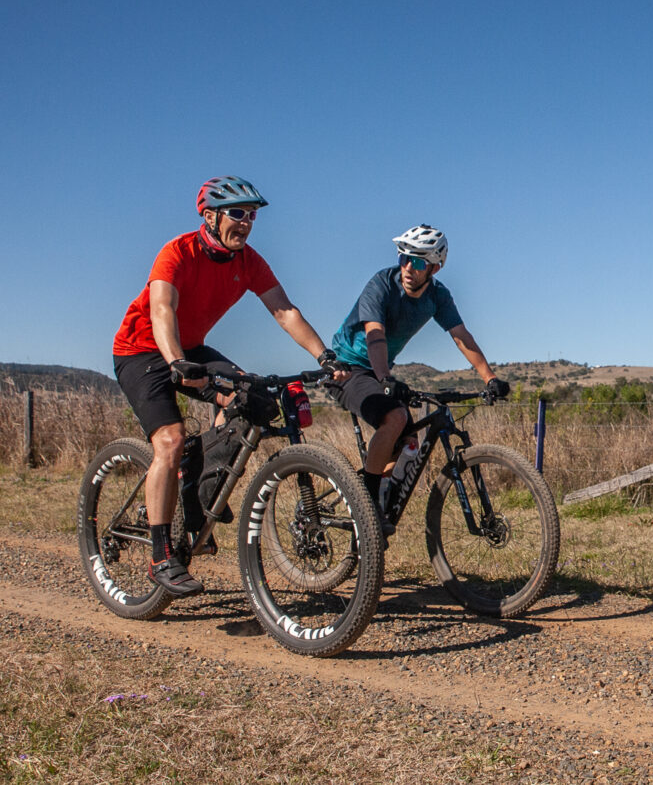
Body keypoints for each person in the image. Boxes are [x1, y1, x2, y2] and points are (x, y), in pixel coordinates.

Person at [112, 175, 347, 597]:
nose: (247, 223)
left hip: (192, 348)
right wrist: (176, 362)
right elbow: (162, 308)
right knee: (169, 440)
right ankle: (161, 554)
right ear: (210, 216)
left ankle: (197, 490)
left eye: (252, 215)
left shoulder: (249, 261)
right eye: (238, 213)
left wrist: (323, 355)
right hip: (143, 350)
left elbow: (284, 310)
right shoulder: (177, 252)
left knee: (254, 401)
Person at [327, 224, 509, 534]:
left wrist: (490, 378)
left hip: (380, 371)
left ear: (436, 267)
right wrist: (385, 377)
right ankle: (368, 504)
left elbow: (461, 336)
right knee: (395, 417)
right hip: (347, 368)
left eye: (420, 262)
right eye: (404, 258)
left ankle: (374, 496)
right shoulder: (382, 284)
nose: (410, 268)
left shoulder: (438, 296)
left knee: (408, 441)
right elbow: (375, 334)